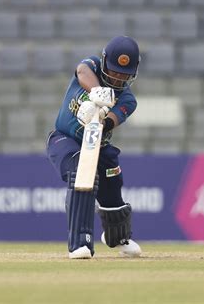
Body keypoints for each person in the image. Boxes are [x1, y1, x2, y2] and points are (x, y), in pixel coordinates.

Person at [46, 36, 142, 259]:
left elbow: (113, 119)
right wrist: (97, 93)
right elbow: (82, 71)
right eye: (115, 70)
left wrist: (100, 118)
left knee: (112, 186)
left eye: (124, 73)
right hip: (64, 139)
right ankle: (80, 243)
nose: (118, 77)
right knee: (81, 173)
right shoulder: (92, 67)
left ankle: (117, 237)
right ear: (105, 62)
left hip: (99, 146)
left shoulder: (127, 99)